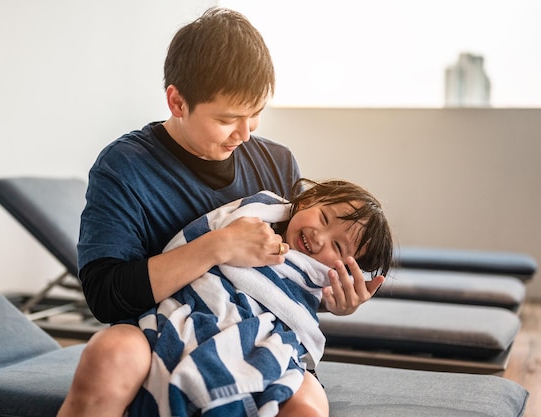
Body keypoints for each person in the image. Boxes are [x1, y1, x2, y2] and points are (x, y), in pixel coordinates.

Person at [57, 7, 384, 417]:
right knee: (109, 353)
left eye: (256, 113)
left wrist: (329, 299)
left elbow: (284, 279)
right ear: (177, 101)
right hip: (159, 328)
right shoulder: (124, 168)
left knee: (308, 404)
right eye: (228, 119)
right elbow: (106, 297)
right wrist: (218, 246)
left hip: (255, 335)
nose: (245, 134)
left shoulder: (278, 163)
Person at [127, 178, 393, 417]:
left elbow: (295, 301)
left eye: (337, 246)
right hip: (202, 311)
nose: (319, 236)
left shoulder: (319, 275)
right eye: (323, 218)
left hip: (267, 339)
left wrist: (333, 303)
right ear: (308, 201)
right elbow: (193, 243)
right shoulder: (256, 214)